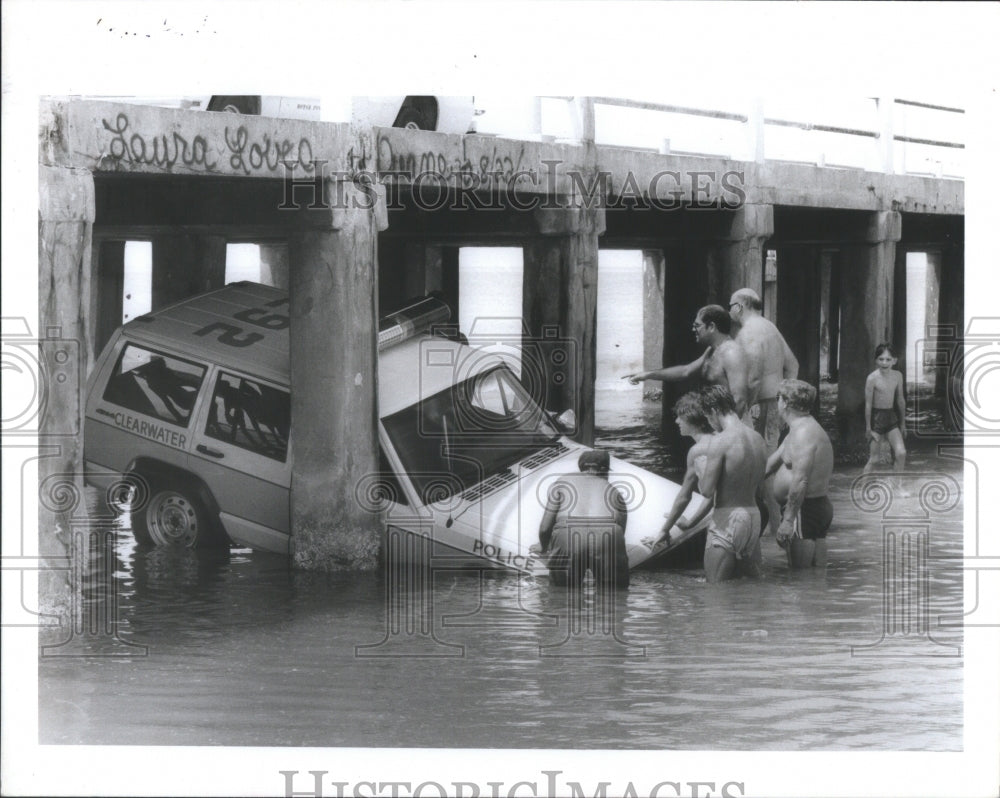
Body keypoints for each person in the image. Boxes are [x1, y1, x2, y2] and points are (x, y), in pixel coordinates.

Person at [691, 385, 768, 582]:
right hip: (754, 516)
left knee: (715, 591)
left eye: (708, 417)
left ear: (715, 411)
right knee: (751, 588)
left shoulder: (721, 441)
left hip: (728, 517)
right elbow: (761, 484)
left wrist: (701, 470)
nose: (709, 423)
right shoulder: (758, 438)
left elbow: (707, 490)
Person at [623, 305, 750, 417]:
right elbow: (686, 371)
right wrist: (648, 375)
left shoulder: (732, 353)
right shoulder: (712, 350)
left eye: (697, 326)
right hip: (718, 423)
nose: (693, 330)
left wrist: (727, 434)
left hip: (732, 428)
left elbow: (739, 400)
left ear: (711, 326)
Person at [536, 449, 630, 590]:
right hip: (608, 535)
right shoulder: (614, 491)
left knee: (561, 597)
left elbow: (545, 528)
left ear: (581, 468)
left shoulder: (561, 482)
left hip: (568, 534)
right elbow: (621, 531)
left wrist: (543, 547)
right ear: (604, 470)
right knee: (616, 596)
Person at [765, 379, 834, 569]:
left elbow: (800, 479)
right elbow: (769, 465)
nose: (777, 402)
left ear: (785, 403)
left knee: (800, 579)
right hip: (814, 507)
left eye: (778, 398)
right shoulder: (797, 430)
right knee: (815, 578)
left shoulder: (803, 433)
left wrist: (788, 520)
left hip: (804, 509)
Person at [643, 392, 716, 550]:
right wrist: (690, 523)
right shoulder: (720, 439)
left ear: (690, 419)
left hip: (726, 521)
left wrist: (664, 529)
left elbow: (686, 496)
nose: (676, 422)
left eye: (680, 417)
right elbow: (714, 494)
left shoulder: (698, 451)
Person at [728, 288, 798, 452]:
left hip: (758, 405)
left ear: (739, 307)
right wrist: (785, 401)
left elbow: (754, 378)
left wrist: (745, 407)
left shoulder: (749, 332)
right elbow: (793, 366)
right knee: (769, 452)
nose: (728, 309)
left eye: (729, 305)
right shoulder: (770, 327)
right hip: (776, 403)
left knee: (756, 455)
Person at [864, 343, 907, 475]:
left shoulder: (898, 376)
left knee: (901, 453)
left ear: (894, 360)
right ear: (876, 360)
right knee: (874, 459)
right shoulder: (872, 378)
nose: (884, 362)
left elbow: (900, 399)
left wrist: (903, 423)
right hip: (876, 419)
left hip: (891, 417)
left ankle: (897, 487)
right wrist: (868, 428)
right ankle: (862, 489)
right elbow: (868, 404)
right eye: (881, 359)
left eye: (888, 359)